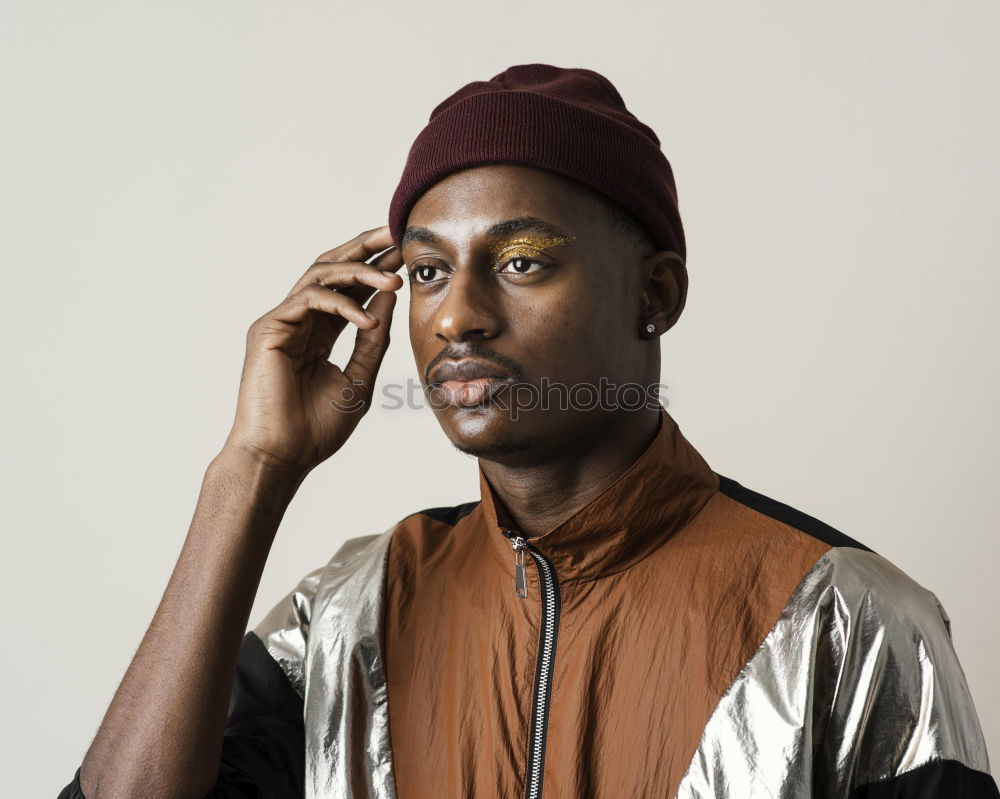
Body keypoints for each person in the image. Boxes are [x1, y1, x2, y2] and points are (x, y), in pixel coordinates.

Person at [59, 63, 997, 799]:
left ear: (655, 294)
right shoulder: (348, 615)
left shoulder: (848, 619)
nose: (458, 315)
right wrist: (251, 471)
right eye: (426, 272)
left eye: (518, 261)